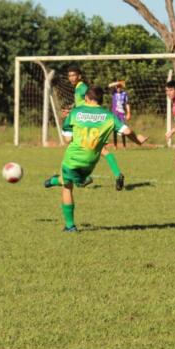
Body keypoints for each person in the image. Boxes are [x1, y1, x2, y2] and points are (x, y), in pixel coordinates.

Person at [44, 85, 147, 232]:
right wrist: (137, 140)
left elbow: (67, 139)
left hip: (73, 158)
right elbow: (127, 131)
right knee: (73, 178)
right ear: (101, 100)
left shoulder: (75, 113)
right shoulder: (109, 117)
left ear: (86, 98)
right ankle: (63, 180)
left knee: (67, 187)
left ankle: (70, 226)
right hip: (90, 162)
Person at [63, 66, 127, 191]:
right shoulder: (78, 88)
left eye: (74, 75)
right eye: (69, 75)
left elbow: (91, 98)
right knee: (101, 151)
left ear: (79, 76)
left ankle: (83, 179)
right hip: (85, 122)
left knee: (80, 149)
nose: (71, 77)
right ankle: (117, 174)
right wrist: (71, 110)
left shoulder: (82, 87)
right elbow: (82, 104)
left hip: (86, 124)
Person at [109, 79, 131, 148]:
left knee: (123, 129)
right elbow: (109, 85)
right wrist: (118, 82)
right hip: (115, 114)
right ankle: (115, 146)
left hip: (122, 114)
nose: (118, 88)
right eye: (117, 87)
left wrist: (128, 112)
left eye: (120, 87)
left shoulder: (124, 94)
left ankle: (124, 146)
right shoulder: (113, 93)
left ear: (121, 87)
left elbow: (127, 103)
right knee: (115, 130)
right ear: (115, 87)